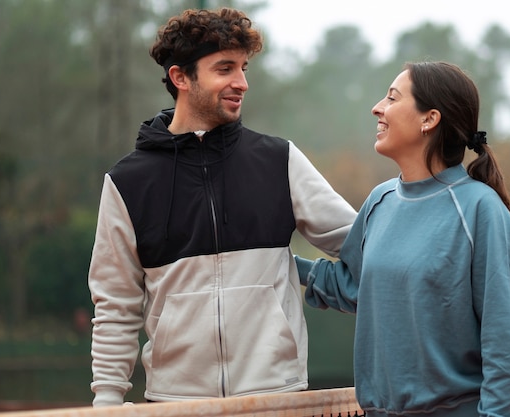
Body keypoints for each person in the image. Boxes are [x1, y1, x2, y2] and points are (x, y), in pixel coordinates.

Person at [87, 7, 356, 407]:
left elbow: (363, 244)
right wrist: (106, 405)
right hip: (175, 404)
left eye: (244, 68)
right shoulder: (127, 183)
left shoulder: (279, 160)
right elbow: (115, 306)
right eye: (225, 68)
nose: (242, 82)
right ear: (181, 77)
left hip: (277, 398)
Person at [295, 61, 510, 416]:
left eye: (392, 98)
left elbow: (504, 346)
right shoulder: (380, 200)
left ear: (429, 119)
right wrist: (277, 262)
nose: (377, 107)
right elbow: (356, 286)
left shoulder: (482, 211)